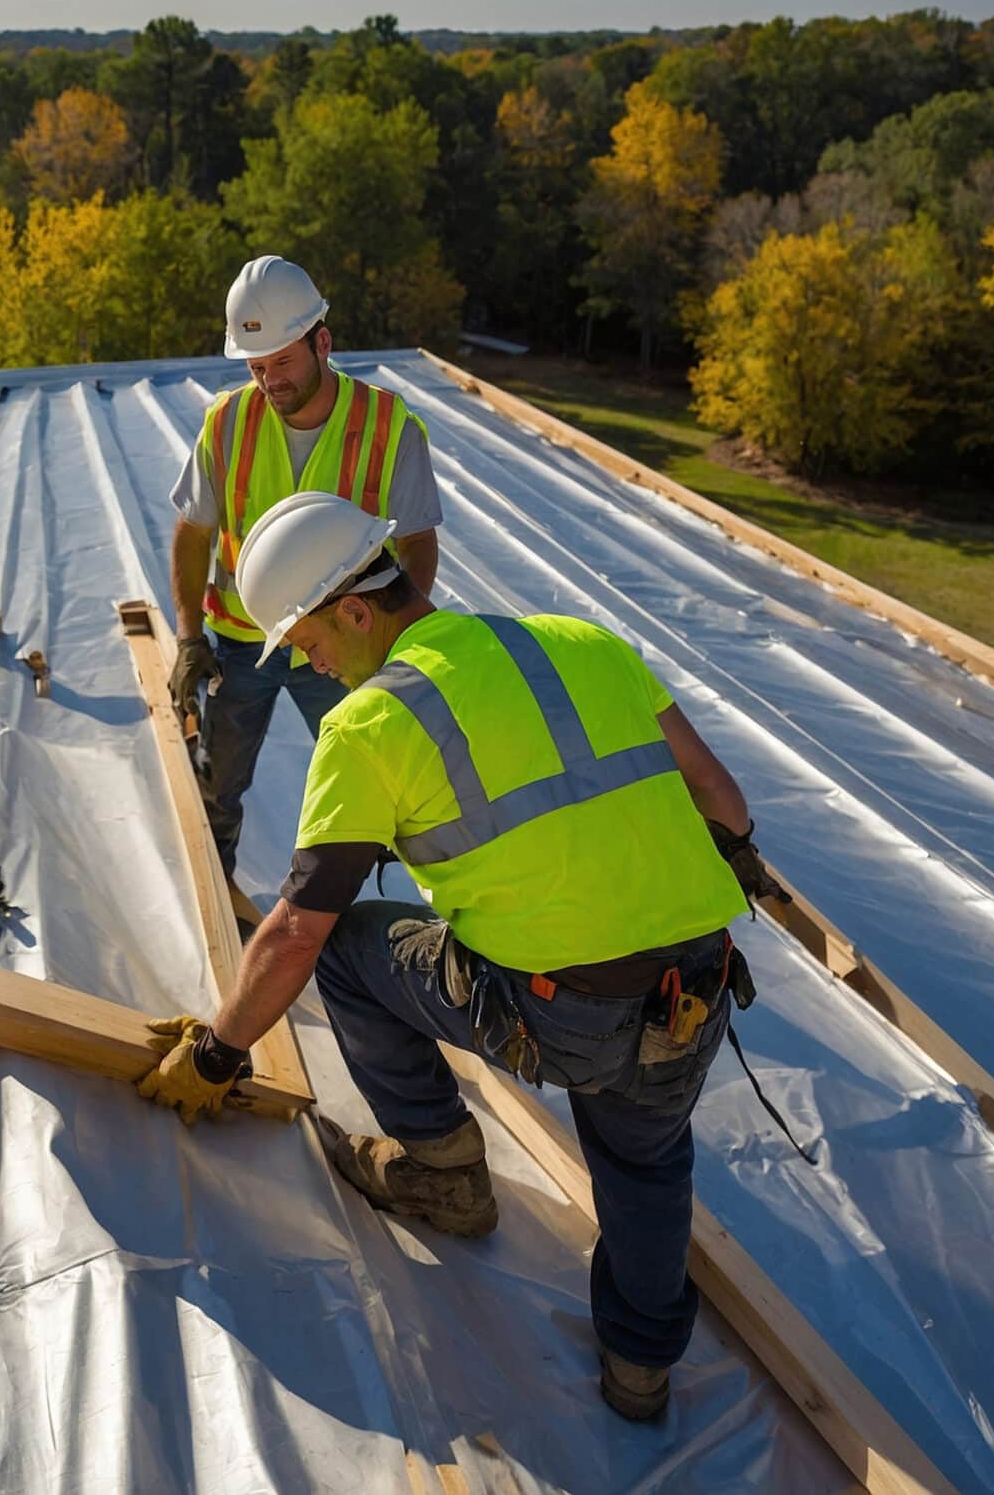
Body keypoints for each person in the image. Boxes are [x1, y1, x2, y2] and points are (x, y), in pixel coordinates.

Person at [133, 491, 790, 1422]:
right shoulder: (584, 642)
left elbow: (293, 935)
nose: (310, 662)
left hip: (561, 1012)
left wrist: (218, 1052)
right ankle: (642, 1370)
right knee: (645, 1163)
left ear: (357, 608)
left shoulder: (369, 726)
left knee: (354, 949)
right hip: (695, 992)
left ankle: (444, 1170)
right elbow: (721, 802)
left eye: (310, 640)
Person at [167, 255, 443, 878]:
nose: (270, 382)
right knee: (219, 784)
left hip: (347, 644)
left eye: (283, 362)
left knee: (374, 783)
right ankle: (218, 898)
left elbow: (419, 541)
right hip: (243, 644)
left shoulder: (387, 425)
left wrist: (395, 645)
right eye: (257, 367)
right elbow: (193, 532)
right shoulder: (227, 421)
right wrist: (188, 638)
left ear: (323, 341)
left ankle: (356, 914)